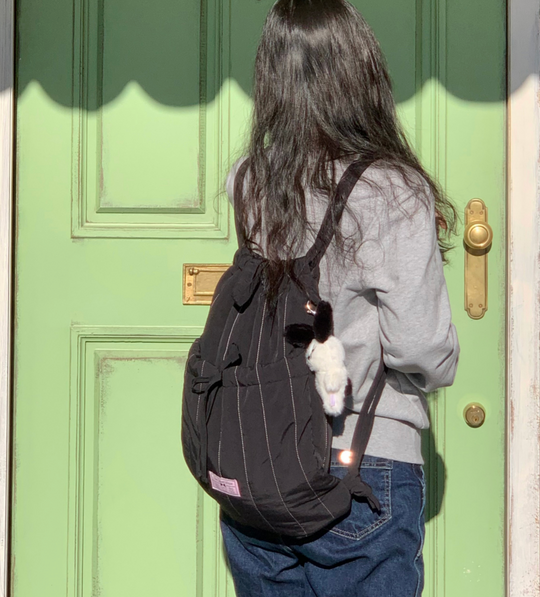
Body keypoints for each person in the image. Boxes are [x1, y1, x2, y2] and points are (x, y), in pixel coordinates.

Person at [219, 1, 460, 595]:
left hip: (259, 458)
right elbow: (421, 349)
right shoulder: (393, 191)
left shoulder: (250, 181)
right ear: (361, 74)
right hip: (361, 460)